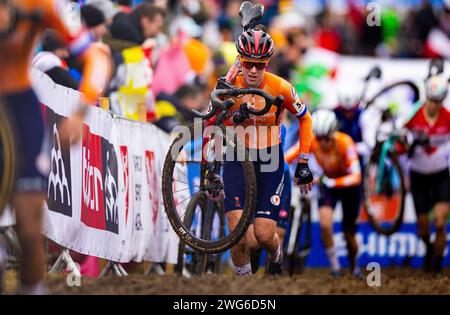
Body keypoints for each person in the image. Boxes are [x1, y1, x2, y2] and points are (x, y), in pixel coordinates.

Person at [0, 0, 112, 294]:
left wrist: (80, 111)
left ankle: (33, 288)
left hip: (18, 110)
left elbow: (98, 58)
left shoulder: (42, 5)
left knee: (28, 223)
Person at [220, 29, 314, 277]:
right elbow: (211, 122)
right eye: (248, 64)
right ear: (241, 61)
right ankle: (246, 286)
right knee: (238, 233)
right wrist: (231, 119)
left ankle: (276, 254)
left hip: (269, 161)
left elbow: (306, 119)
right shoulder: (229, 85)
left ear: (267, 64)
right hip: (236, 159)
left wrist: (303, 161)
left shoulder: (280, 87)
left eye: (259, 65)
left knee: (261, 235)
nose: (253, 70)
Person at [286, 109, 362, 277]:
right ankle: (335, 268)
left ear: (334, 132)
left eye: (327, 138)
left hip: (349, 187)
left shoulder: (345, 142)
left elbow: (356, 176)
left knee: (349, 234)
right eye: (320, 138)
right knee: (326, 225)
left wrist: (332, 182)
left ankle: (354, 267)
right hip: (327, 185)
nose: (324, 143)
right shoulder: (312, 141)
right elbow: (286, 158)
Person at [402, 75, 449, 277]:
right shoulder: (413, 114)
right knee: (423, 229)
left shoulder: (447, 117)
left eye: (437, 101)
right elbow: (398, 140)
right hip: (418, 175)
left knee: (439, 223)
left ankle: (436, 265)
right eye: (430, 99)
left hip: (440, 175)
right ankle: (428, 249)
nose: (433, 105)